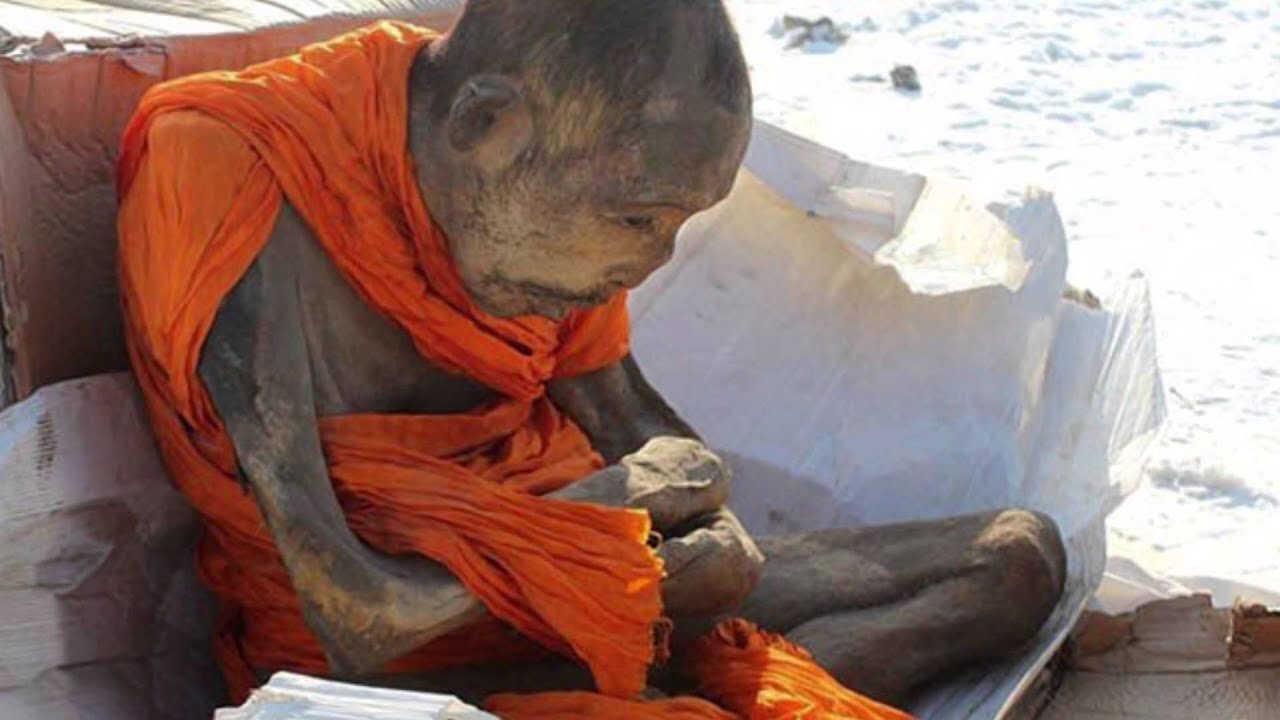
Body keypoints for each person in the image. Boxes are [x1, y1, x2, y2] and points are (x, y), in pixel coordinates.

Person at [116, 1, 1065, 716]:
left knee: (1019, 556)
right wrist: (600, 519)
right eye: (636, 220)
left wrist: (707, 525)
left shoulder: (539, 202)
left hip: (602, 586)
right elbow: (355, 616)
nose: (648, 264)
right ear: (485, 130)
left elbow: (630, 426)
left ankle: (721, 682)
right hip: (405, 664)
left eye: (678, 228)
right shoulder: (232, 165)